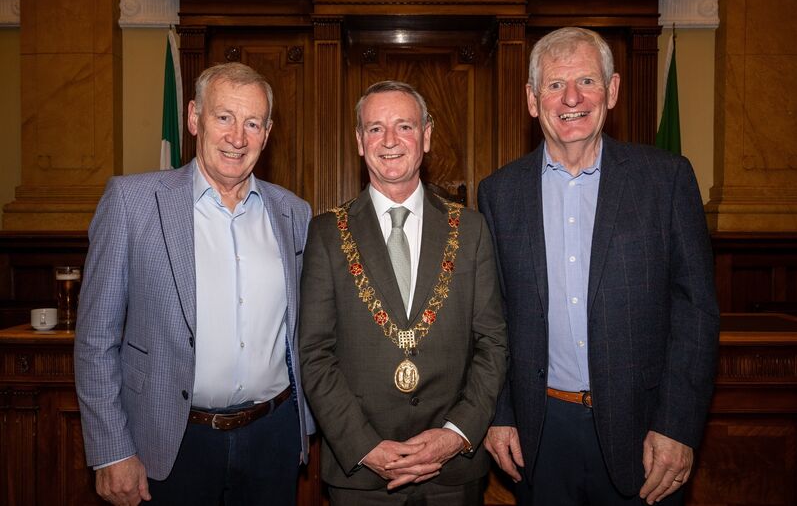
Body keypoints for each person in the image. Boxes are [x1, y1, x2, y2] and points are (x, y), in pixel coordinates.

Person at [477, 27, 719, 505]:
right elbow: (492, 317)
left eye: (586, 81)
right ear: (532, 100)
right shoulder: (499, 193)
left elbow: (696, 313)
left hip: (646, 433)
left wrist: (677, 425)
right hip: (540, 434)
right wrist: (501, 414)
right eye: (554, 84)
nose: (572, 98)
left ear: (612, 90)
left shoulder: (666, 180)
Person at [74, 62, 313, 506]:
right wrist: (111, 450)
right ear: (193, 118)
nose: (237, 137)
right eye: (224, 117)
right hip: (170, 441)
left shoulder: (293, 213)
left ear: (267, 133)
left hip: (272, 439)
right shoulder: (132, 202)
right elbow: (95, 339)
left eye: (253, 123)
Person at [299, 80, 507, 505]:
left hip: (453, 474)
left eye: (404, 126)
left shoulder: (470, 230)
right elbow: (314, 353)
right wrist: (365, 446)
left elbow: (493, 343)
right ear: (360, 141)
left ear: (426, 136)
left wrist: (456, 435)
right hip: (360, 477)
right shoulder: (326, 233)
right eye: (375, 128)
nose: (390, 140)